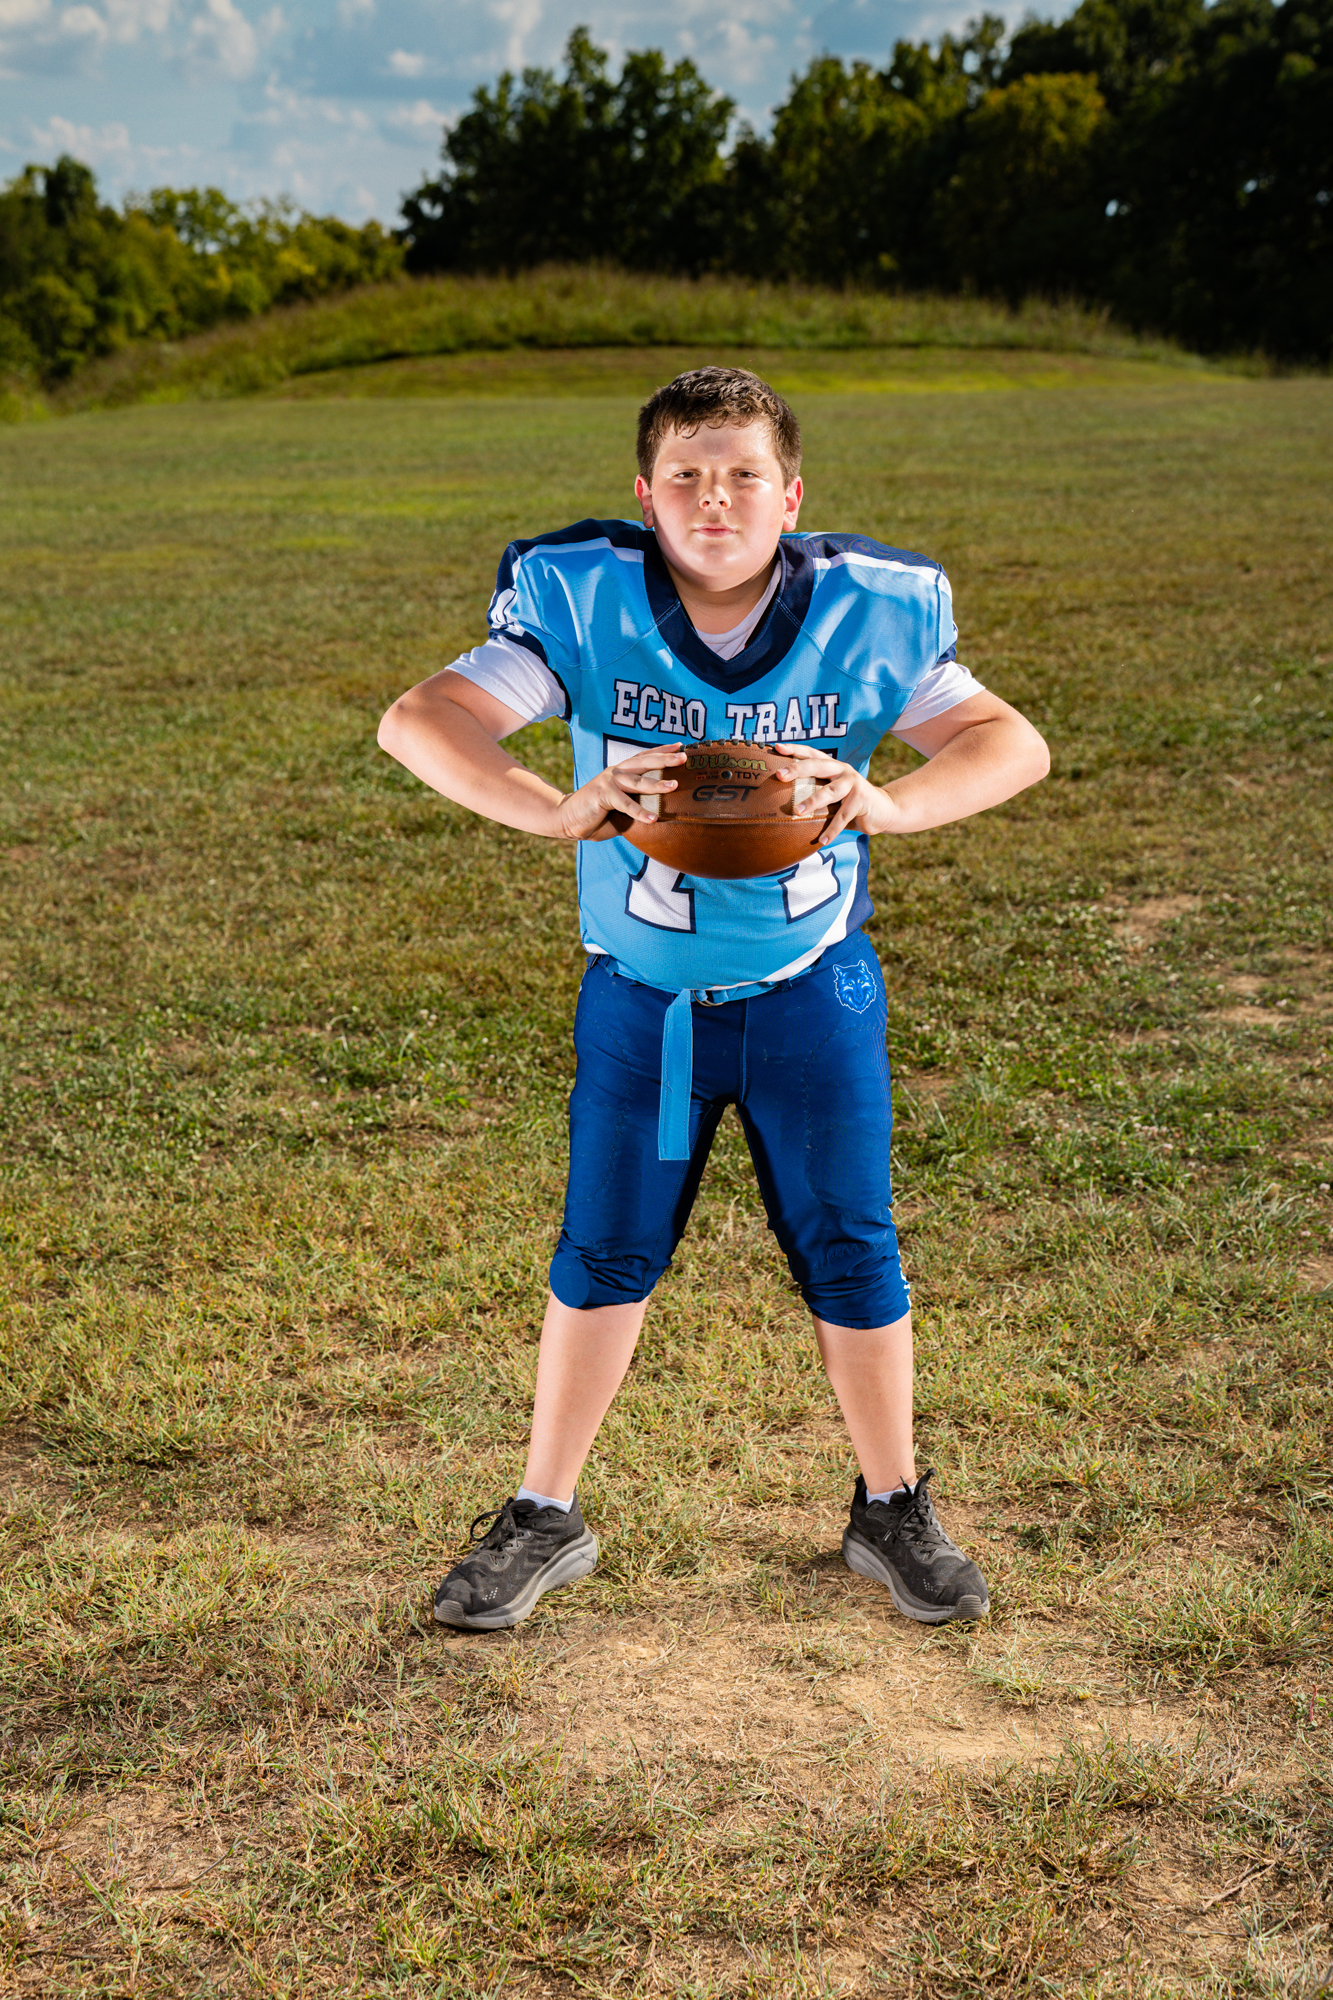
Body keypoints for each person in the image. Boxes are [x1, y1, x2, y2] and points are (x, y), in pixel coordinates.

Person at [378, 366, 1048, 1634]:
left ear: (791, 497)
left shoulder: (869, 608)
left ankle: (891, 1502)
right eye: (685, 475)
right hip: (645, 997)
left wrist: (890, 800)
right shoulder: (584, 598)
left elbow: (1011, 741)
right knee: (601, 1249)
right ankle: (543, 1511)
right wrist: (555, 806)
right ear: (645, 495)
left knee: (853, 1242)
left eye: (743, 473)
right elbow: (422, 719)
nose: (714, 498)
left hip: (811, 990)